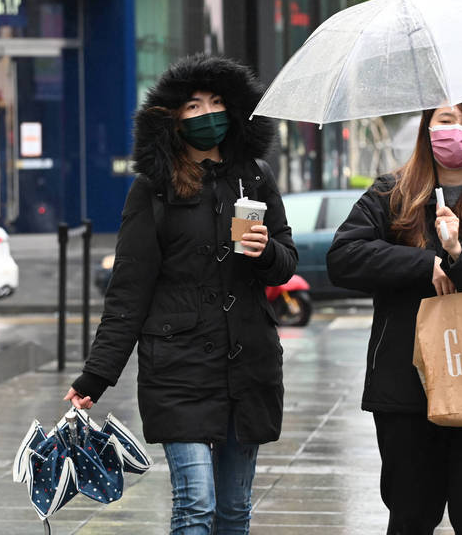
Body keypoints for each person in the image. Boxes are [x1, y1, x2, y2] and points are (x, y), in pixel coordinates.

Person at [63, 54, 297, 535]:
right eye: (193, 105)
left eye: (216, 102)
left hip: (247, 366)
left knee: (234, 511)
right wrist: (96, 376)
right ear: (172, 116)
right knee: (196, 505)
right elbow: (128, 290)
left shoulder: (253, 177)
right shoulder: (152, 189)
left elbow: (286, 262)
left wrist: (265, 251)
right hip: (178, 367)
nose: (207, 113)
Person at [327, 97, 462, 535]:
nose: (454, 130)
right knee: (411, 515)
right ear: (426, 128)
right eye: (444, 120)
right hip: (405, 383)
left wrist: (459, 255)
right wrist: (425, 264)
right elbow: (344, 257)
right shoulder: (390, 192)